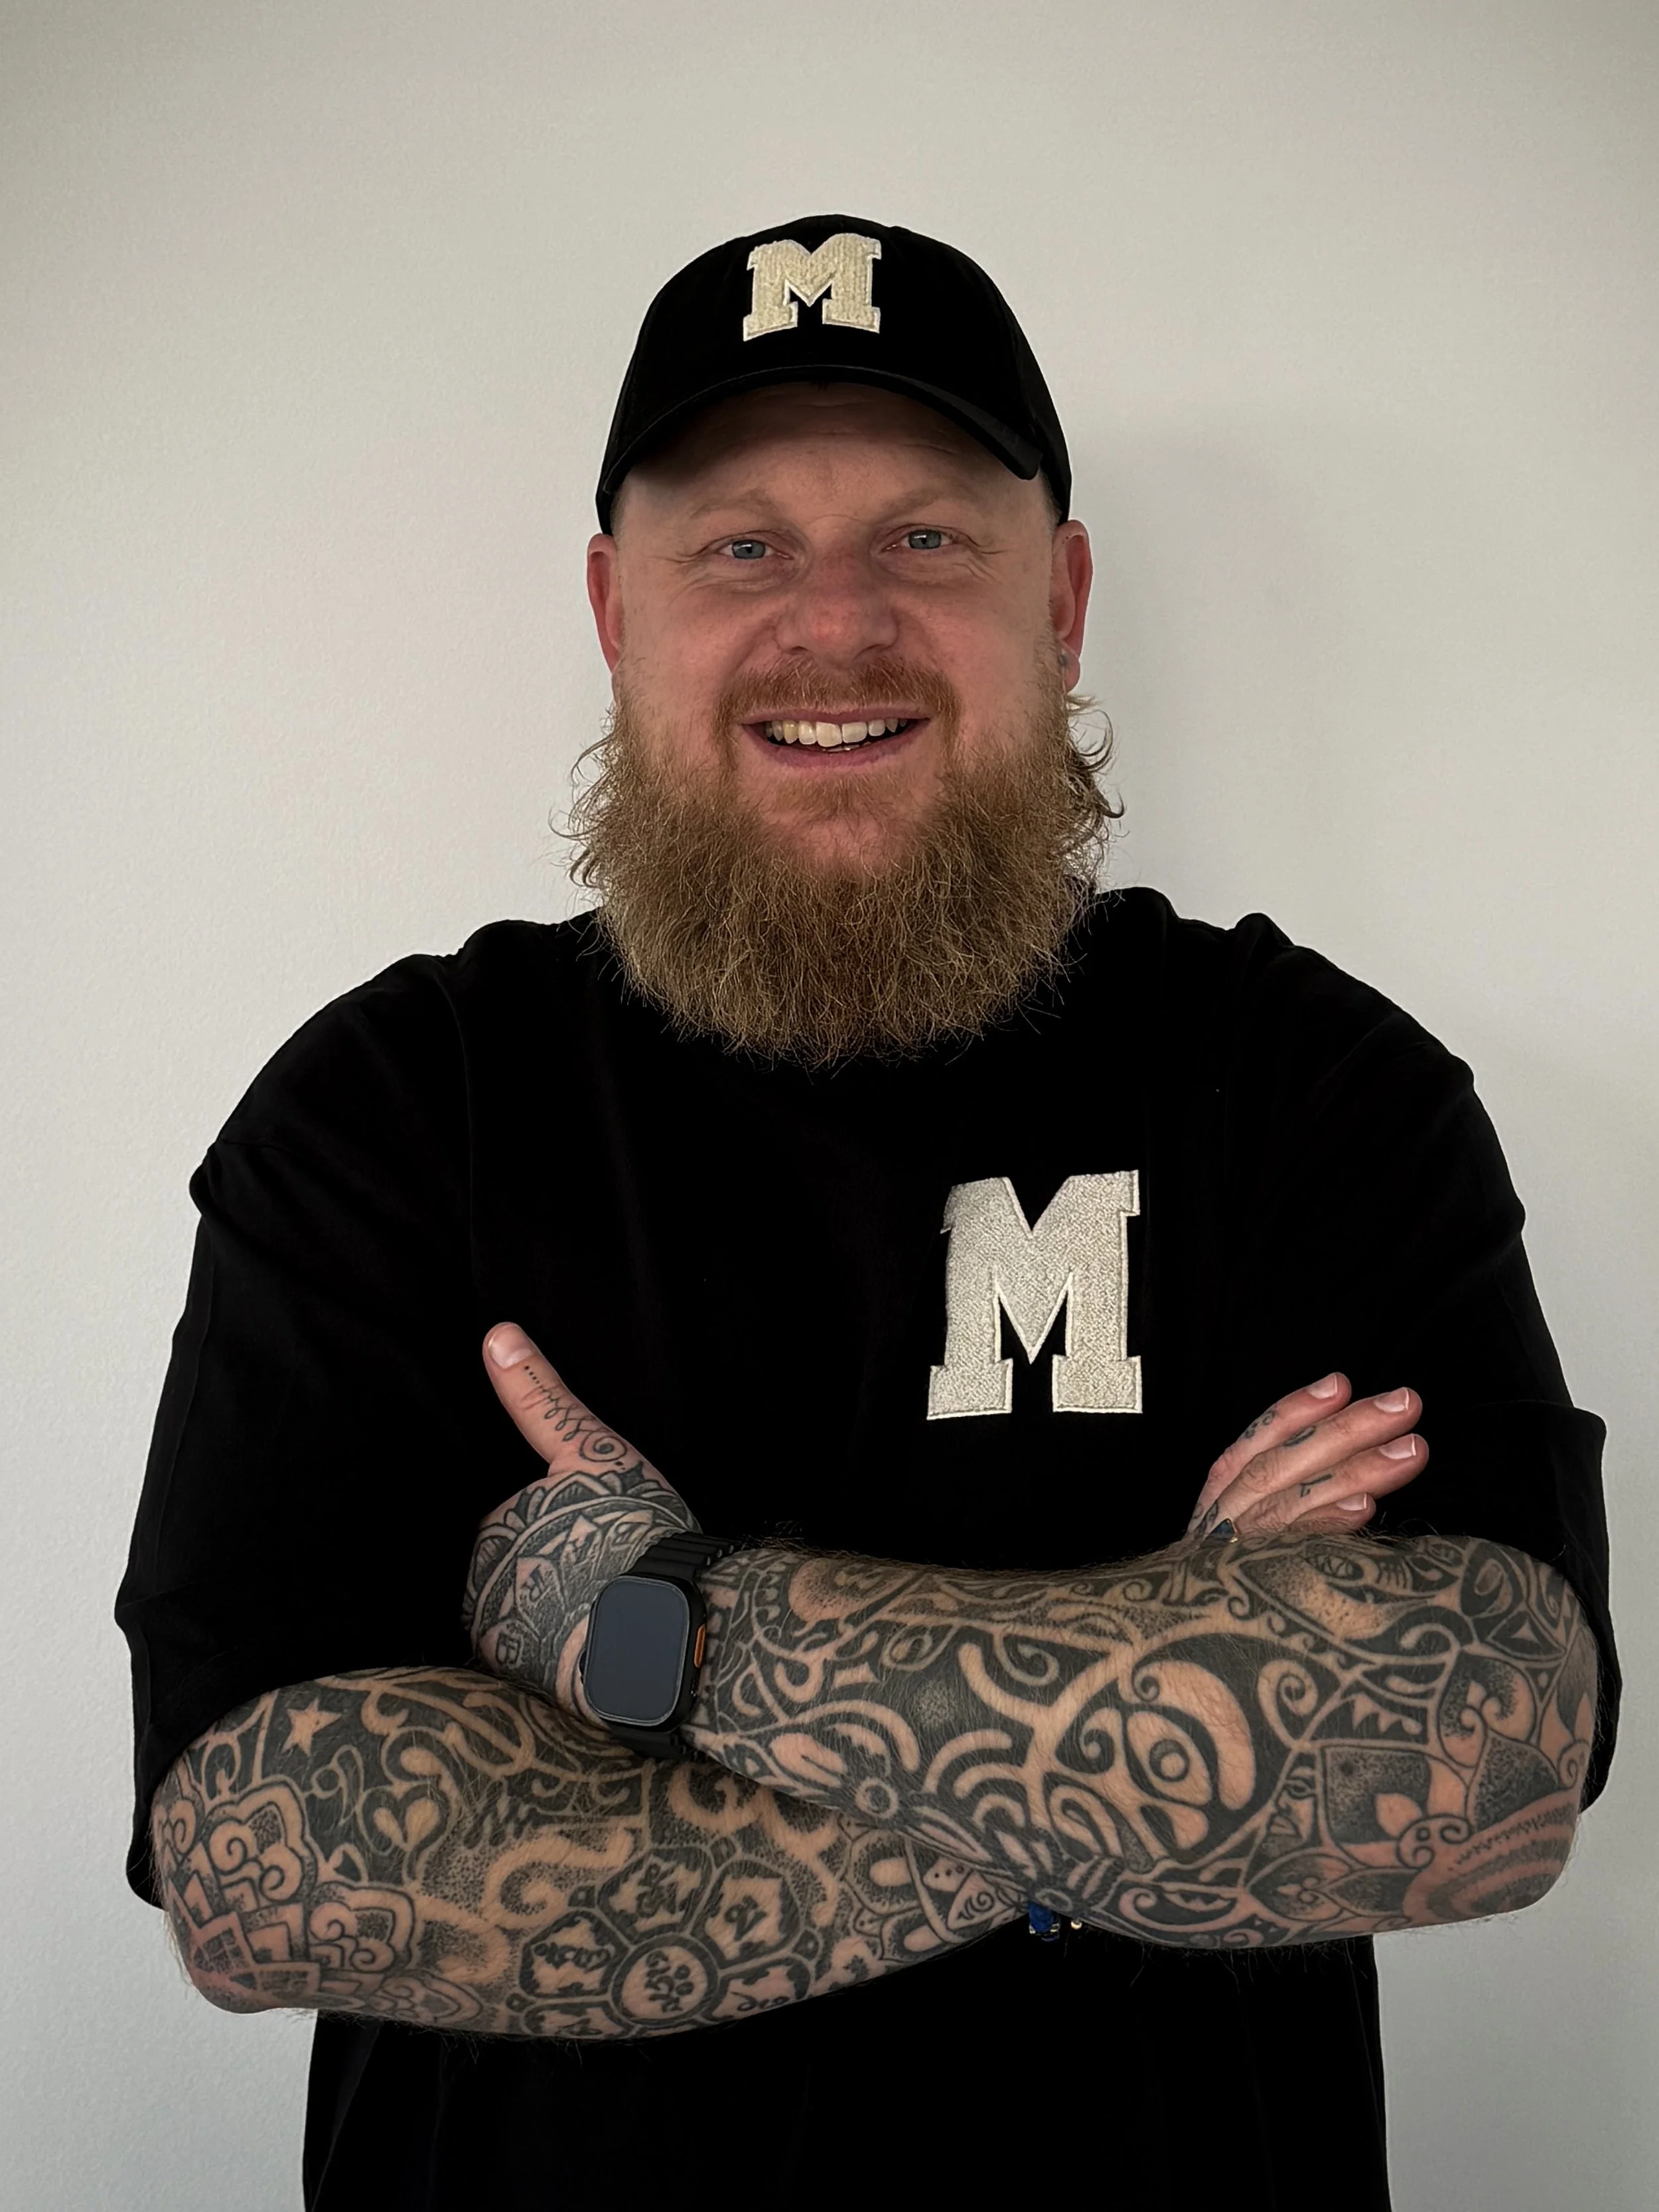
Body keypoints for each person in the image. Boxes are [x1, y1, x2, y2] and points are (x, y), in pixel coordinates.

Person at [119, 216, 1617, 2211]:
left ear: (1063, 598)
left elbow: (1482, 1759)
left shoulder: (1306, 1083)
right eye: (738, 545)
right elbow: (262, 1867)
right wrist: (1166, 1715)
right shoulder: (399, 1110)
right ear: (609, 607)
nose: (833, 623)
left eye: (926, 538)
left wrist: (665, 1632)